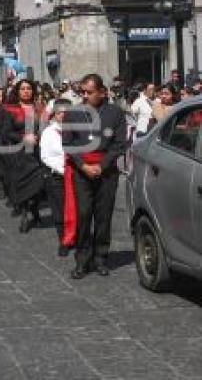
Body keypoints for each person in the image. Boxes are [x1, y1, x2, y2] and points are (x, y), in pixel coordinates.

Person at [63, 74, 127, 279]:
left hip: (106, 172)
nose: (84, 95)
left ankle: (100, 257)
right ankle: (82, 260)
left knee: (103, 216)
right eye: (82, 92)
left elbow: (119, 144)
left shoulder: (115, 113)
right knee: (83, 215)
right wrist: (83, 166)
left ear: (101, 92)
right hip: (81, 171)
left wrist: (102, 165)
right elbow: (68, 143)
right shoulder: (73, 113)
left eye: (89, 92)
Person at [0, 80, 45, 233]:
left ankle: (35, 210)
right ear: (18, 91)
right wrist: (23, 138)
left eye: (28, 88)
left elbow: (44, 127)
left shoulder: (39, 107)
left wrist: (40, 137)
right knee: (23, 184)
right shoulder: (10, 109)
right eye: (23, 88)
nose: (26, 91)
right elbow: (6, 132)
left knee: (38, 183)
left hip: (37, 152)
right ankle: (24, 214)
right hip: (19, 153)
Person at [40, 99, 72, 257]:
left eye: (67, 113)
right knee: (59, 209)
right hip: (57, 176)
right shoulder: (49, 132)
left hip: (75, 175)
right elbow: (46, 156)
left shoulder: (78, 130)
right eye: (60, 113)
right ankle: (63, 240)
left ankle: (76, 235)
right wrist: (63, 170)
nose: (63, 116)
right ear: (55, 114)